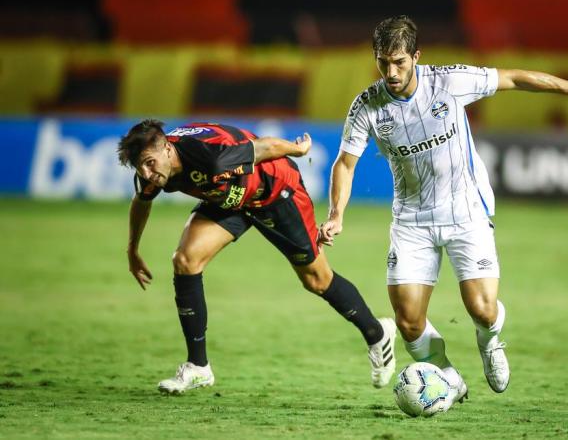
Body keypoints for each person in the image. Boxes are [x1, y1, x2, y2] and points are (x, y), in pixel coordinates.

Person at [318, 15, 568, 406]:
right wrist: (337, 214)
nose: (391, 71)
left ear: (416, 56)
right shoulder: (367, 106)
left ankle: (490, 344)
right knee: (408, 321)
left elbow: (515, 78)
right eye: (383, 62)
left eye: (399, 62)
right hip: (412, 220)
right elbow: (344, 164)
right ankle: (450, 380)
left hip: (465, 209)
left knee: (483, 310)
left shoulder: (448, 82)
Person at [117, 119, 397, 394]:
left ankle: (377, 334)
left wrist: (297, 150)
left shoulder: (210, 156)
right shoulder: (152, 173)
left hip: (275, 193)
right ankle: (198, 366)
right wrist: (132, 250)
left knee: (317, 280)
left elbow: (262, 147)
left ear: (167, 149)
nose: (146, 172)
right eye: (139, 166)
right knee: (185, 260)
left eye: (149, 162)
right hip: (229, 200)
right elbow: (141, 202)